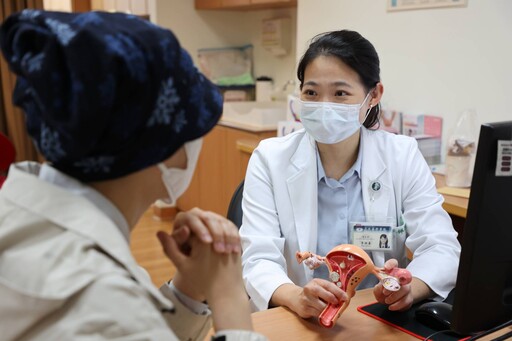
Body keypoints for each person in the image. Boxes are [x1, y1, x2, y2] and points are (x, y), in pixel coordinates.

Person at [0, 10, 266, 341]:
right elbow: (120, 323)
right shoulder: (101, 299)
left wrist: (191, 290)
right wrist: (229, 296)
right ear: (157, 145)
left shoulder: (18, 215)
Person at [239, 30, 461, 319]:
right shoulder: (269, 159)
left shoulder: (402, 155)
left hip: (379, 318)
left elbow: (440, 246)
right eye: (311, 93)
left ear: (373, 96)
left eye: (340, 93)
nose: (323, 105)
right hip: (297, 319)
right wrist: (297, 296)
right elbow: (258, 259)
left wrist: (409, 289)